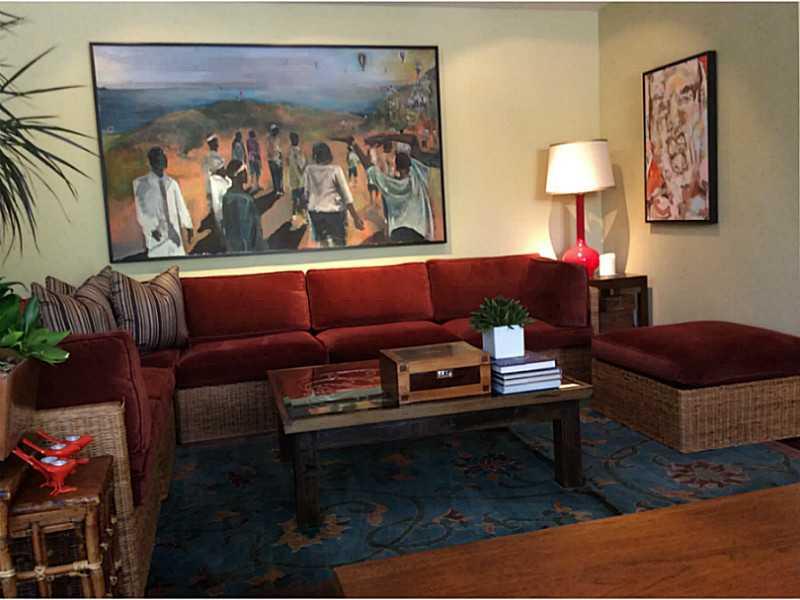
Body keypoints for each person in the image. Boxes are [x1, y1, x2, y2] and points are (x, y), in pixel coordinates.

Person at [348, 137, 435, 243]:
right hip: (419, 234)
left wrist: (354, 144)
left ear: (396, 168)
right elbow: (414, 140)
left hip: (397, 233)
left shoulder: (390, 185)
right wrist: (385, 136)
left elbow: (369, 167)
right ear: (410, 165)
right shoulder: (418, 177)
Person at [133, 146, 194, 257]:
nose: (161, 162)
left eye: (162, 158)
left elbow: (181, 207)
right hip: (157, 238)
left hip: (174, 238)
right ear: (151, 162)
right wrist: (152, 228)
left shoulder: (172, 183)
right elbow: (141, 211)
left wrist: (188, 226)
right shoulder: (141, 184)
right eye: (157, 159)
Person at [303, 142, 364, 248]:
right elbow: (346, 196)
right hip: (334, 214)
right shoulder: (335, 170)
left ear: (315, 156)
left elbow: (306, 194)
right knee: (338, 245)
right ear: (329, 155)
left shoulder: (309, 170)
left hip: (316, 214)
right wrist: (355, 217)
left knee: (322, 245)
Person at [202, 133, 227, 218]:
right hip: (216, 188)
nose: (217, 144)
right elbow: (220, 172)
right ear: (211, 144)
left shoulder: (212, 156)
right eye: (215, 142)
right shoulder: (212, 157)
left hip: (214, 188)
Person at [286, 132, 308, 224]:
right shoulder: (298, 152)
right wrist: (306, 164)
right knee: (302, 199)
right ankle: (305, 217)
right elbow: (300, 167)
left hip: (293, 179)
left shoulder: (289, 151)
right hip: (299, 179)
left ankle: (294, 215)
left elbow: (288, 163)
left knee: (295, 198)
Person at [266, 123, 284, 195]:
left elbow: (278, 148)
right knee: (275, 175)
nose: (276, 132)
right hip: (272, 159)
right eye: (275, 130)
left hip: (277, 158)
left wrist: (280, 154)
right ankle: (277, 189)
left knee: (279, 175)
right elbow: (270, 150)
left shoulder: (277, 138)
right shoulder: (269, 139)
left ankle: (280, 188)